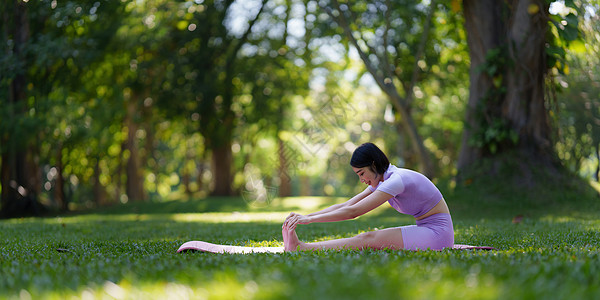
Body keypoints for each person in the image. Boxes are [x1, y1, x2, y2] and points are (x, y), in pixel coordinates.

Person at [282, 142, 453, 251]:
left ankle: (301, 248)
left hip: (438, 234)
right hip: (427, 229)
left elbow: (353, 212)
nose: (362, 179)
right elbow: (347, 205)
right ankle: (300, 247)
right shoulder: (383, 180)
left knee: (367, 238)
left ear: (373, 165)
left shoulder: (395, 181)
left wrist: (309, 221)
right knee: (367, 238)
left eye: (362, 173)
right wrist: (305, 216)